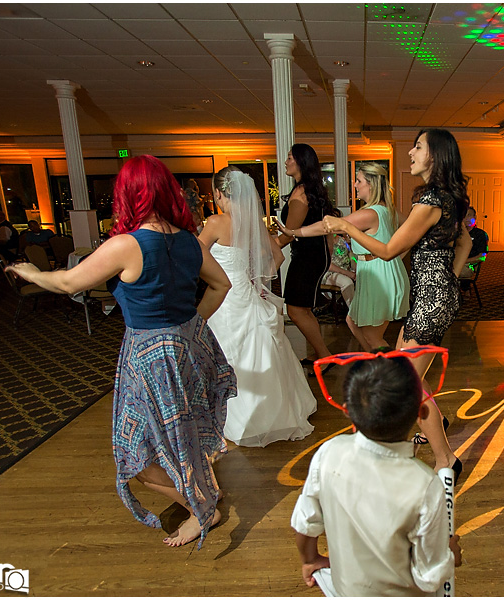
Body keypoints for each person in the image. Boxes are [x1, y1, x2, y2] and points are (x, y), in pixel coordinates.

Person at [5, 155, 236, 548]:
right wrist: (187, 328)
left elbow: (67, 284)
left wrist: (30, 272)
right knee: (180, 432)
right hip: (186, 351)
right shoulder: (186, 240)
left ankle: (203, 507)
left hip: (147, 358)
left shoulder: (127, 245)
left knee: (137, 456)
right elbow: (221, 285)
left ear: (127, 195)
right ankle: (202, 495)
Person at [323, 129, 472, 481]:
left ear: (435, 155)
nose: (410, 153)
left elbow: (388, 251)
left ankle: (445, 459)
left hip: (431, 300)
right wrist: (447, 276)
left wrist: (346, 225)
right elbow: (463, 243)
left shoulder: (432, 200)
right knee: (411, 377)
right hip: (433, 295)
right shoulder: (448, 197)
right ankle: (435, 441)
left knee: (409, 383)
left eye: (418, 147)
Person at [291, 353, 462, 596]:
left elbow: (305, 523)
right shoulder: (425, 484)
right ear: (421, 414)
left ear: (347, 411)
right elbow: (429, 578)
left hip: (345, 591)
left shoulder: (328, 453)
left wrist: (310, 560)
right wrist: (449, 554)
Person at [199, 166, 316, 447]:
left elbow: (194, 256)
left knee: (230, 353)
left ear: (218, 193)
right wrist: (256, 280)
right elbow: (278, 257)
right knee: (260, 350)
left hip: (224, 298)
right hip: (247, 292)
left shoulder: (215, 222)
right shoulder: (254, 223)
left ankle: (237, 416)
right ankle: (275, 413)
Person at [280, 162, 410, 353]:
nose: (355, 185)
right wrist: (397, 256)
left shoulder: (369, 213)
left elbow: (327, 226)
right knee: (352, 321)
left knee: (373, 336)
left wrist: (294, 231)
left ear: (371, 185)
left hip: (378, 275)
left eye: (359, 181)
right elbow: (411, 234)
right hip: (379, 271)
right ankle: (375, 362)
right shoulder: (389, 210)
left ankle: (396, 375)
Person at [274, 143, 340, 365]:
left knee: (295, 310)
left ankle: (325, 356)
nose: (286, 161)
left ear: (302, 162)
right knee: (303, 309)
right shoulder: (306, 189)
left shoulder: (301, 192)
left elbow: (288, 235)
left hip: (308, 257)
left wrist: (265, 246)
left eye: (290, 158)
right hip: (312, 255)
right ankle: (320, 353)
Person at [319, 234, 355, 308]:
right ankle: (354, 313)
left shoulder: (343, 241)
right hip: (329, 274)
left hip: (347, 271)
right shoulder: (322, 243)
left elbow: (352, 258)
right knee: (347, 282)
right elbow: (328, 265)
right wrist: (349, 274)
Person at [459, 206, 488, 280]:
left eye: (469, 215)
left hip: (470, 264)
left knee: (457, 272)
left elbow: (482, 257)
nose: (466, 218)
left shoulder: (480, 234)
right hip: (456, 262)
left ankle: (466, 290)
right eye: (464, 216)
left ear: (475, 217)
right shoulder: (457, 233)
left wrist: (464, 261)